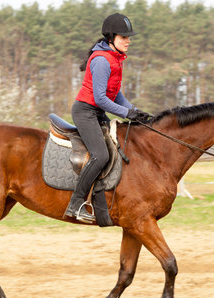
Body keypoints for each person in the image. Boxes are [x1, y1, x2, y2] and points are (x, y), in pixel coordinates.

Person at [65, 13, 151, 223]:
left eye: (129, 38)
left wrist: (135, 111)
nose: (128, 41)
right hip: (85, 112)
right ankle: (75, 204)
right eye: (124, 37)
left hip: (97, 112)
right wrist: (126, 113)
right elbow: (101, 98)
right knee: (101, 156)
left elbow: (116, 94)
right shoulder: (103, 61)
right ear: (112, 38)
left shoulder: (115, 58)